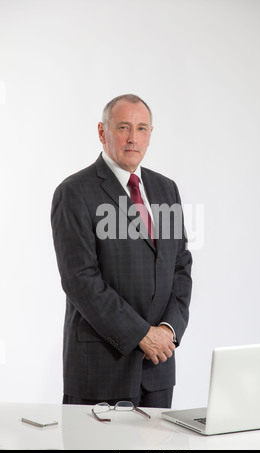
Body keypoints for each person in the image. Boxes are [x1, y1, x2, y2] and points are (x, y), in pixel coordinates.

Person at [51, 94, 192, 408]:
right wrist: (142, 334)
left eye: (142, 129)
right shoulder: (74, 192)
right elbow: (80, 280)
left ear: (150, 135)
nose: (133, 138)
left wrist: (168, 330)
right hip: (101, 371)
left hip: (157, 370)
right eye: (123, 127)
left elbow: (180, 265)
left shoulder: (166, 189)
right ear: (102, 132)